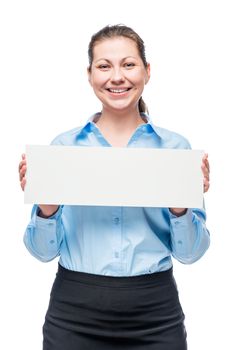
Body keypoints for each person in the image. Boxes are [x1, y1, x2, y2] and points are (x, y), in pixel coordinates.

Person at [19, 24, 210, 350]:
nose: (117, 76)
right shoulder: (62, 148)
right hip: (73, 312)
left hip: (156, 312)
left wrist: (181, 207)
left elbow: (191, 253)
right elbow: (42, 252)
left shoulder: (176, 149)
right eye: (104, 66)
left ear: (147, 72)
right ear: (90, 74)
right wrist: (46, 209)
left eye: (129, 64)